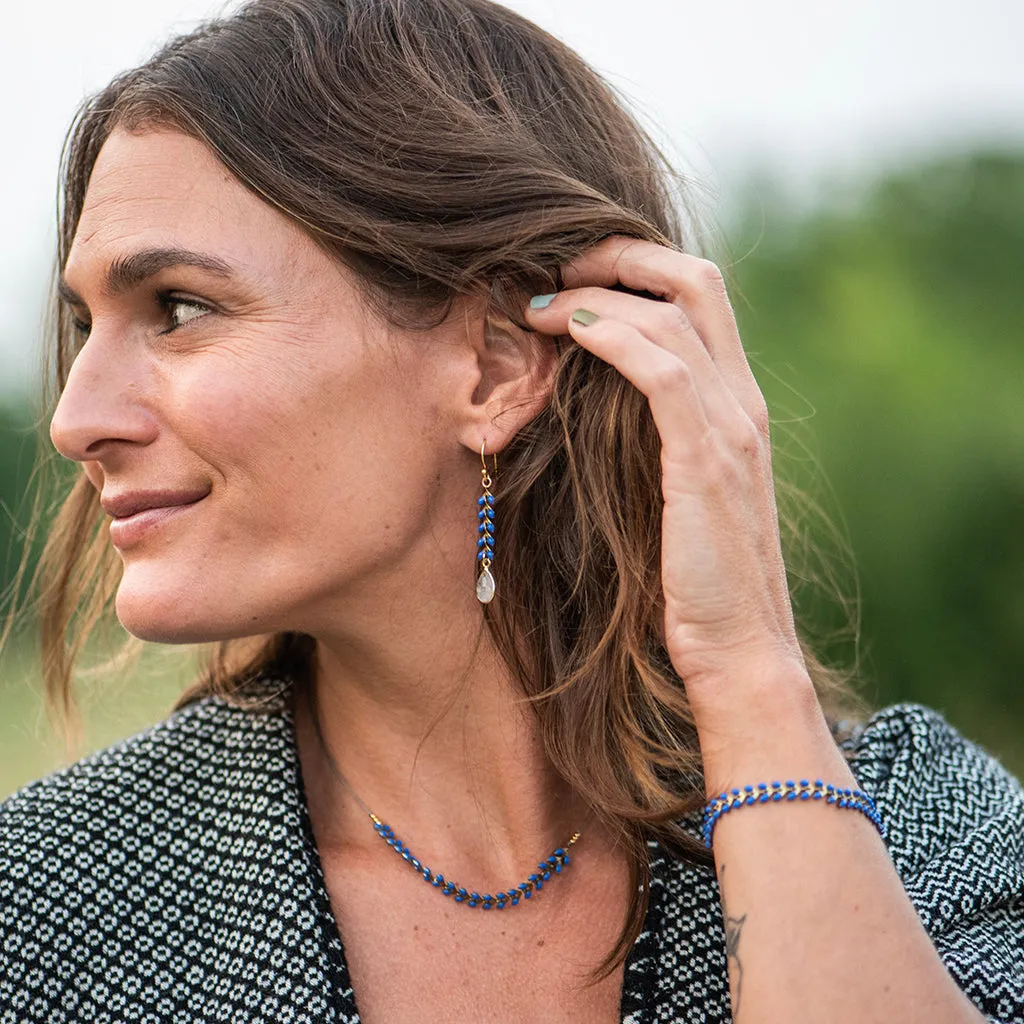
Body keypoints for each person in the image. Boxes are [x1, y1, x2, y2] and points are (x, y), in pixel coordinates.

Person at [1, 0, 1021, 1020]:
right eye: (86, 324)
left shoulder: (921, 830)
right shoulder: (42, 913)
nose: (76, 418)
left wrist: (748, 670)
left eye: (178, 307)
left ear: (493, 366)